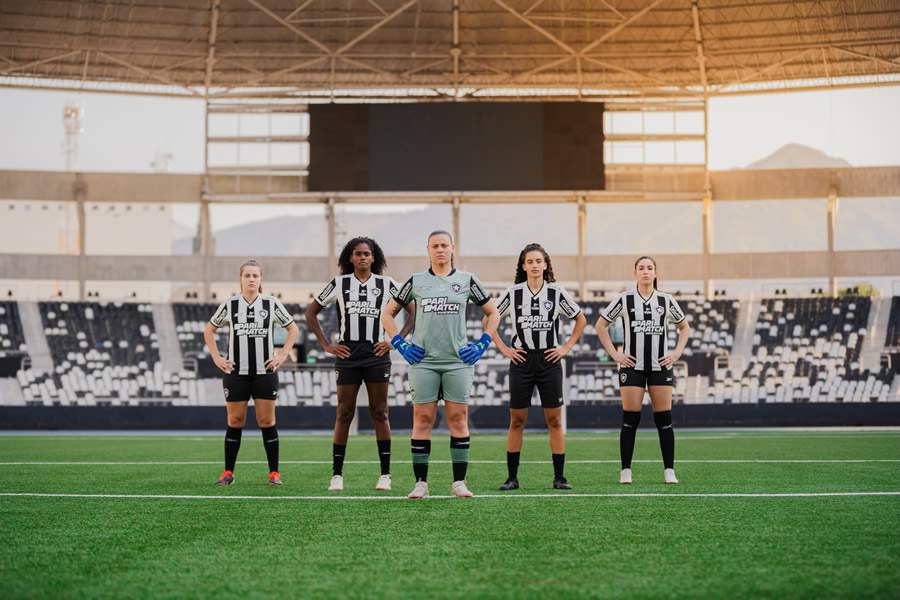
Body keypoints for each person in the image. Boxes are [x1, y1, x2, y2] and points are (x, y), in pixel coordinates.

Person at [381, 230, 500, 499]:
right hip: (423, 361)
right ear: (428, 250)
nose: (440, 250)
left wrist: (483, 342)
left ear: (453, 248)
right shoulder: (416, 281)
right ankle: (421, 483)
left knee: (458, 419)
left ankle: (459, 482)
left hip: (458, 362)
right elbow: (388, 313)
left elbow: (493, 313)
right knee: (422, 419)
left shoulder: (467, 280)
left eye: (444, 245)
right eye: (435, 246)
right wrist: (399, 343)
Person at [305, 237, 414, 492]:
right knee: (344, 412)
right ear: (351, 257)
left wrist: (395, 341)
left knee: (380, 412)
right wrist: (326, 345)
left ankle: (385, 475)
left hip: (377, 352)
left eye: (367, 253)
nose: (363, 257)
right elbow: (311, 313)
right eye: (358, 254)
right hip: (348, 354)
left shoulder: (387, 284)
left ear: (374, 257)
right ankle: (336, 475)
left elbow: (413, 309)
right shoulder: (338, 284)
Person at [487, 243, 586, 490]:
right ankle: (512, 478)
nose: (534, 265)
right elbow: (489, 320)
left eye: (538, 261)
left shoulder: (556, 292)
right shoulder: (513, 293)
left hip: (549, 360)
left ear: (545, 264)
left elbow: (580, 319)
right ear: (523, 265)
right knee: (517, 420)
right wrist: (504, 349)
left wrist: (565, 348)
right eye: (529, 261)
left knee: (554, 419)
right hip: (521, 361)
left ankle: (559, 477)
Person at [595, 256, 690, 485]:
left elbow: (684, 327)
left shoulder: (666, 301)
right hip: (632, 366)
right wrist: (615, 354)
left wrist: (676, 353)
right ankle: (625, 470)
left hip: (660, 366)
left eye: (650, 268)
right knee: (630, 419)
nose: (646, 271)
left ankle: (669, 470)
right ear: (635, 273)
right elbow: (600, 326)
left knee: (664, 419)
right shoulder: (625, 299)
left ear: (655, 273)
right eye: (641, 268)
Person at [205, 259, 298, 486]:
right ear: (241, 278)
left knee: (266, 420)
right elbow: (209, 330)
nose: (251, 279)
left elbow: (293, 329)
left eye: (255, 276)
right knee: (235, 420)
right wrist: (217, 358)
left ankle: (274, 473)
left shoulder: (271, 303)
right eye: (247, 275)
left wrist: (282, 355)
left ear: (261, 279)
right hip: (236, 373)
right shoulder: (230, 304)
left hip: (264, 372)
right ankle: (228, 473)